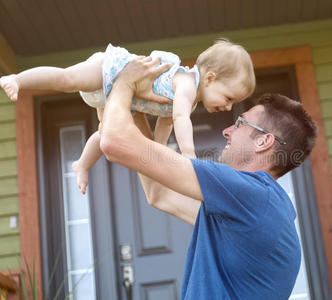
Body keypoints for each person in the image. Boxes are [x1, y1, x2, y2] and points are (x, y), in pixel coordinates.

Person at [100, 56, 317, 299]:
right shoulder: (253, 209)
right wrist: (132, 106)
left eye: (240, 124)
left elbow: (113, 141)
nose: (227, 131)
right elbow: (160, 195)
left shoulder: (250, 194)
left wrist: (124, 82)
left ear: (264, 141)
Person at [0, 39, 255, 194]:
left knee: (104, 134)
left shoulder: (189, 99)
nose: (228, 106)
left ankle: (82, 164)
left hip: (115, 97)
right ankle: (18, 79)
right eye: (228, 97)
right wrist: (188, 155)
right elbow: (179, 119)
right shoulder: (187, 83)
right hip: (109, 71)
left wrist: (157, 148)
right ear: (210, 78)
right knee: (67, 79)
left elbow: (166, 122)